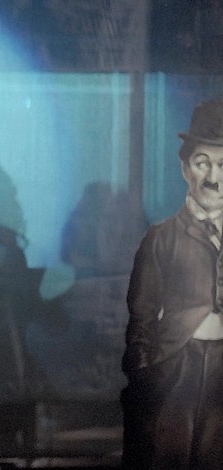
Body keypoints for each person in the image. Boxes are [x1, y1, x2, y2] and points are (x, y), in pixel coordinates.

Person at [122, 99, 223, 468]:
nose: (213, 177)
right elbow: (142, 316)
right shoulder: (161, 237)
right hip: (176, 364)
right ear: (185, 168)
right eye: (202, 163)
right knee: (169, 454)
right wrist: (146, 374)